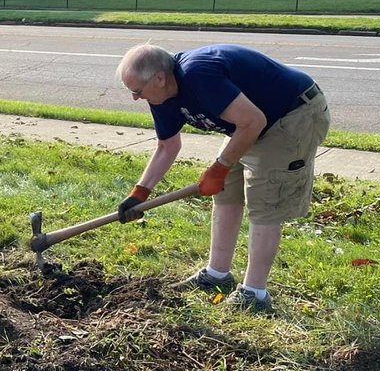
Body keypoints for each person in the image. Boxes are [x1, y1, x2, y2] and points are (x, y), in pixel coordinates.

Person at [115, 43, 330, 313]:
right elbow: (167, 146)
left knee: (264, 202)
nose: (136, 98)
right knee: (226, 190)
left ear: (159, 78)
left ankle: (255, 294)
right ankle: (217, 275)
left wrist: (219, 168)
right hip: (252, 123)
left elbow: (253, 121)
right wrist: (140, 193)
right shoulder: (161, 96)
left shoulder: (199, 76)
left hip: (292, 114)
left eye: (137, 91)